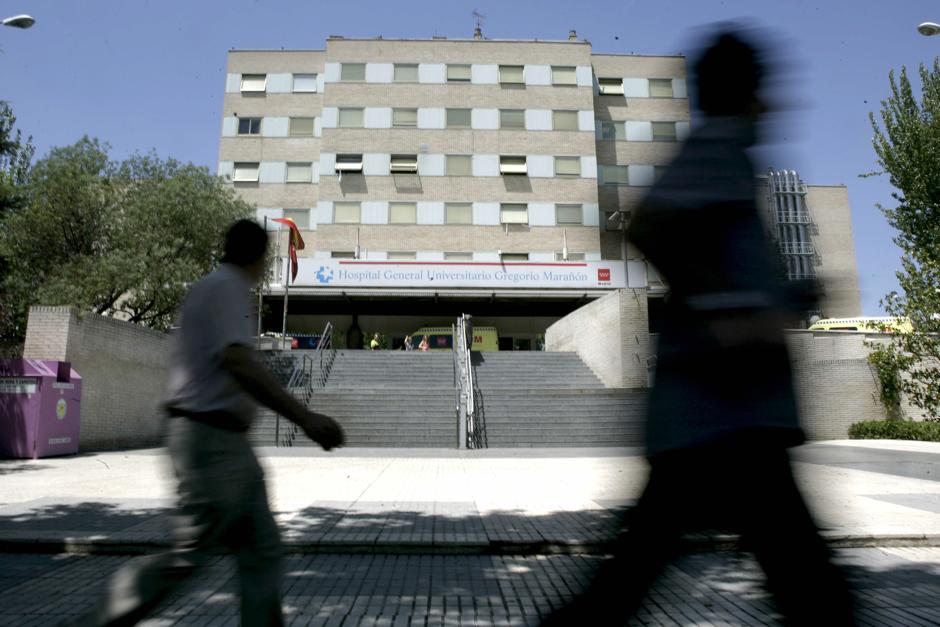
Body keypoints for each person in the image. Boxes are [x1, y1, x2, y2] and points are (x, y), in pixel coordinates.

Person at [542, 27, 854, 626]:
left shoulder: (729, 156)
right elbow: (649, 225)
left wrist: (782, 297)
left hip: (722, 419)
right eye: (768, 91)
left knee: (624, 586)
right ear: (748, 91)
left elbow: (719, 265)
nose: (776, 106)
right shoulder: (716, 147)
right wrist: (728, 314)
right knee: (815, 595)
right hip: (724, 417)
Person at [74, 220, 345, 627]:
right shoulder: (228, 288)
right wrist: (304, 417)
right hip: (210, 438)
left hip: (226, 441)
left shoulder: (213, 287)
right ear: (259, 258)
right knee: (190, 552)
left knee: (261, 548)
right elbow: (238, 361)